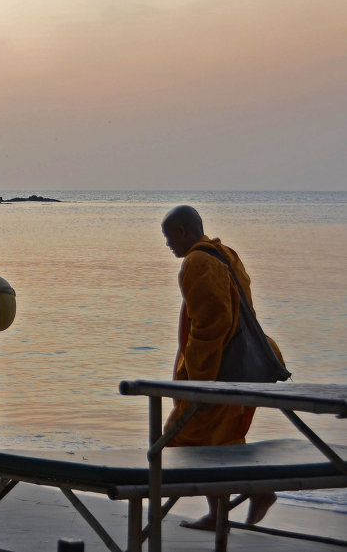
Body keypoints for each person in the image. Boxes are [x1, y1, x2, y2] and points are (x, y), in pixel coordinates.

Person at [161, 204, 281, 529]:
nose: (169, 244)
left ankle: (246, 498)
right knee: (220, 441)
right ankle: (232, 507)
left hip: (219, 372)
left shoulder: (197, 261)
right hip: (241, 369)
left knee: (184, 440)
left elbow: (210, 326)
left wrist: (199, 382)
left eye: (170, 237)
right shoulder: (226, 254)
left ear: (185, 232)